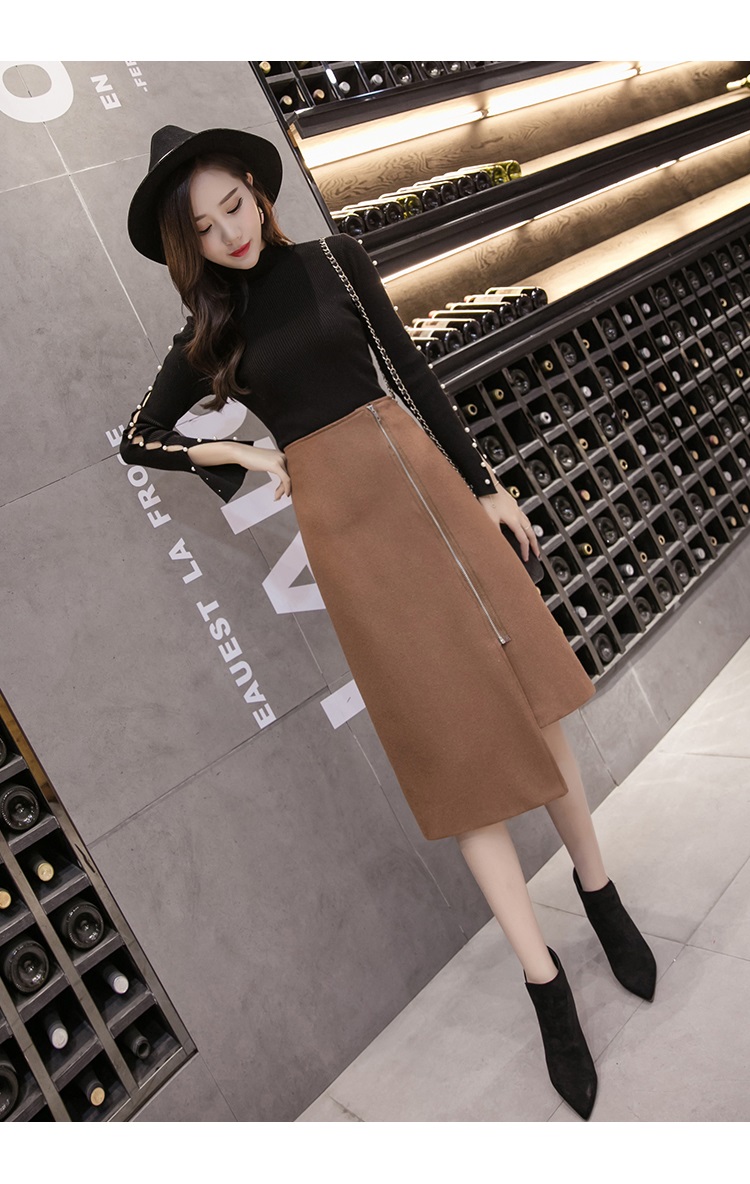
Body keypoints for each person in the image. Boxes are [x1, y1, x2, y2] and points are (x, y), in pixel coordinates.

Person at [122, 125, 657, 1120]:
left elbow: (411, 372)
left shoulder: (335, 258)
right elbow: (139, 438)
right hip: (351, 541)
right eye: (206, 227)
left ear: (256, 190)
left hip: (425, 490)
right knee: (449, 753)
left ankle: (599, 891)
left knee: (530, 699)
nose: (232, 231)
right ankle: (543, 981)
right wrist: (239, 455)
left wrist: (485, 484)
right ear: (187, 245)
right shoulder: (209, 334)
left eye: (236, 204)